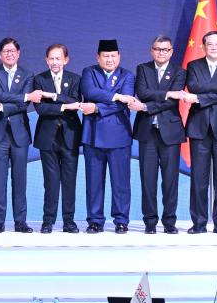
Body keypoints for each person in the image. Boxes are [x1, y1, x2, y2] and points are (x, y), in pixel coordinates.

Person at [80, 39, 143, 234]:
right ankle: (95, 220)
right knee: (93, 182)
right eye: (105, 56)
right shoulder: (89, 72)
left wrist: (96, 107)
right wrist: (116, 96)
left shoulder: (127, 76)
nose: (109, 59)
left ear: (119, 57)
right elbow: (89, 91)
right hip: (93, 135)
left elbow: (124, 103)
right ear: (97, 57)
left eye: (113, 56)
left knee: (121, 182)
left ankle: (121, 220)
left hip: (119, 134)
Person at [179, 30, 217, 234]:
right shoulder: (194, 66)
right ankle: (199, 223)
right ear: (203, 47)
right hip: (199, 127)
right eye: (209, 44)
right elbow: (194, 86)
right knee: (198, 178)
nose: (213, 47)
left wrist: (198, 98)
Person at [132, 34, 186, 234]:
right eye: (157, 49)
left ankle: (169, 221)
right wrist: (167, 93)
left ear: (171, 52)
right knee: (148, 180)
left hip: (170, 132)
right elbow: (143, 92)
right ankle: (150, 222)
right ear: (151, 50)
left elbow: (172, 102)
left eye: (165, 49)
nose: (161, 52)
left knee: (170, 180)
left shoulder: (179, 72)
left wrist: (146, 107)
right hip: (147, 132)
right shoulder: (143, 69)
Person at [0, 37, 37, 233]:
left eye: (13, 51)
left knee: (20, 179)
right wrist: (24, 96)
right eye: (6, 51)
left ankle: (20, 221)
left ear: (18, 53)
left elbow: (24, 105)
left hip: (19, 133)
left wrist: (0, 107)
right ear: (0, 54)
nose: (9, 54)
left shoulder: (28, 74)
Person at [32, 43, 84, 234]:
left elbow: (76, 101)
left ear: (66, 60)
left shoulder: (75, 79)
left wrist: (52, 96)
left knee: (69, 181)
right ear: (46, 60)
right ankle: (48, 221)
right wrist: (64, 106)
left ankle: (69, 221)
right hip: (48, 137)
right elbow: (41, 108)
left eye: (58, 58)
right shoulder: (39, 79)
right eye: (51, 58)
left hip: (70, 135)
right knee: (50, 181)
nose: (55, 62)